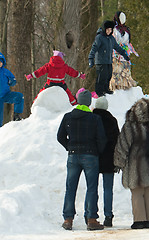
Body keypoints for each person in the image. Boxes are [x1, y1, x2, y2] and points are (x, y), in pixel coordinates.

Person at [57, 90, 107, 231]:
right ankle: (91, 219)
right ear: (89, 103)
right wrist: (97, 151)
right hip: (90, 155)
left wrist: (69, 147)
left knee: (70, 187)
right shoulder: (95, 118)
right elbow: (102, 139)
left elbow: (60, 136)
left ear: (78, 101)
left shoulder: (68, 117)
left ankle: (68, 219)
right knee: (91, 187)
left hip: (73, 155)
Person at [114, 98, 149, 229]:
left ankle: (139, 220)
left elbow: (123, 145)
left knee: (137, 192)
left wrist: (118, 162)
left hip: (135, 164)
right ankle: (148, 219)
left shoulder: (130, 126)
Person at [92, 97, 120, 227]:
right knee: (108, 189)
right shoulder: (112, 120)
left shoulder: (91, 118)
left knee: (92, 188)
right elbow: (117, 140)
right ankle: (108, 216)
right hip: (109, 159)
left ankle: (91, 214)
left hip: (94, 157)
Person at [88, 20, 130, 97]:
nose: (109, 31)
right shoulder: (99, 37)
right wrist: (91, 59)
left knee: (108, 75)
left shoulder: (111, 38)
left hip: (108, 60)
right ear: (104, 29)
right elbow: (94, 48)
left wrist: (124, 54)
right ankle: (99, 91)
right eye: (107, 30)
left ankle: (106, 89)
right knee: (102, 77)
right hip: (100, 61)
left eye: (110, 30)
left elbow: (117, 47)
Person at [109, 11, 139, 91]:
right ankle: (115, 90)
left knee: (125, 74)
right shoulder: (113, 30)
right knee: (116, 74)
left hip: (125, 56)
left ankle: (126, 90)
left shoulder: (126, 30)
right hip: (115, 56)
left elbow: (128, 42)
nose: (123, 19)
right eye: (121, 17)